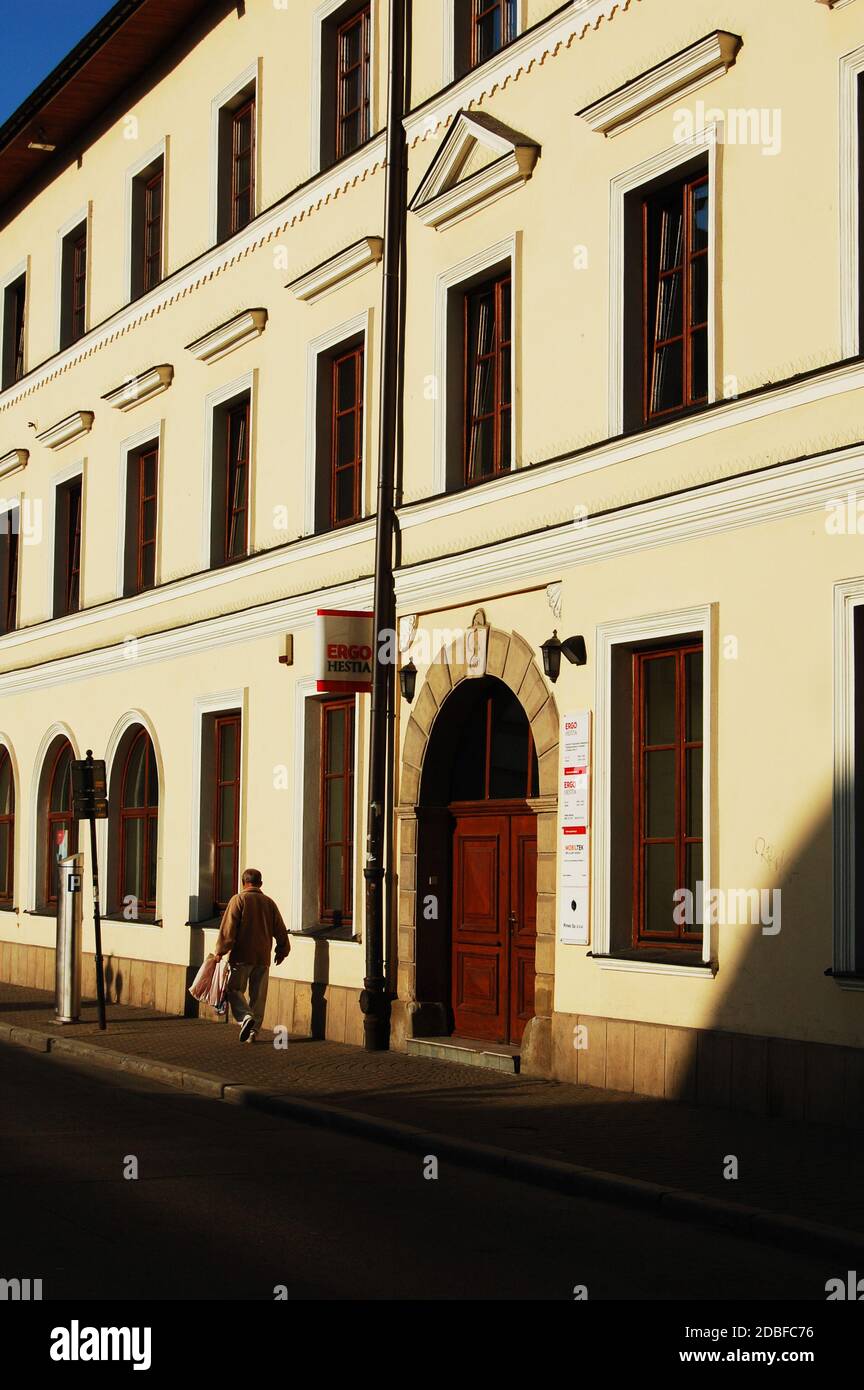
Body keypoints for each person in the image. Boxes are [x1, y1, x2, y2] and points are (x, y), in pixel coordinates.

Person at [213, 868, 290, 1043]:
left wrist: (220, 952)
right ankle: (253, 1032)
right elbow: (280, 929)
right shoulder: (269, 903)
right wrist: (282, 950)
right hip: (263, 957)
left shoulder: (238, 900)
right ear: (260, 883)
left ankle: (245, 1017)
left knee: (234, 990)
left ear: (243, 882)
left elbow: (228, 930)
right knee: (258, 996)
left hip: (241, 956)